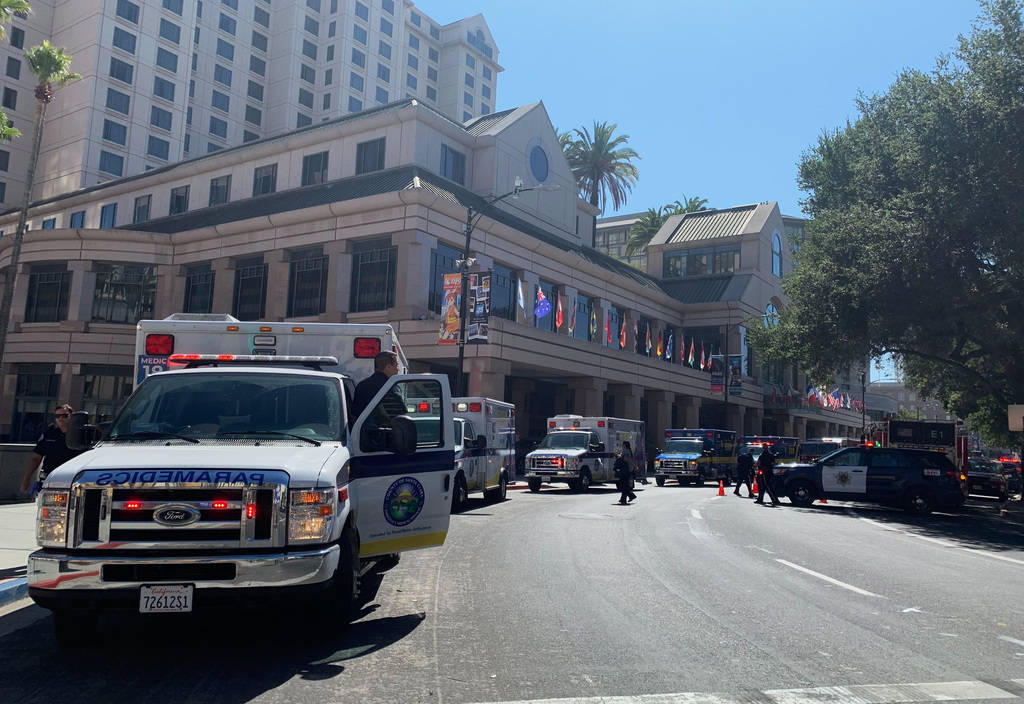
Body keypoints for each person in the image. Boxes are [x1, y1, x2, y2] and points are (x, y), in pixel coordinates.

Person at [20, 403, 84, 496]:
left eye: (64, 416)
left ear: (71, 416)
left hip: (72, 479)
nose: (60, 419)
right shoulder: (49, 434)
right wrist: (26, 480)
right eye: (57, 416)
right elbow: (36, 458)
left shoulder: (81, 434)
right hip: (50, 478)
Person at [350, 351, 401, 422]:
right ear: (388, 367)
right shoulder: (391, 387)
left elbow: (354, 416)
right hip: (388, 431)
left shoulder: (362, 385)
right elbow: (401, 415)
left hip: (365, 431)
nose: (398, 369)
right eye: (396, 365)